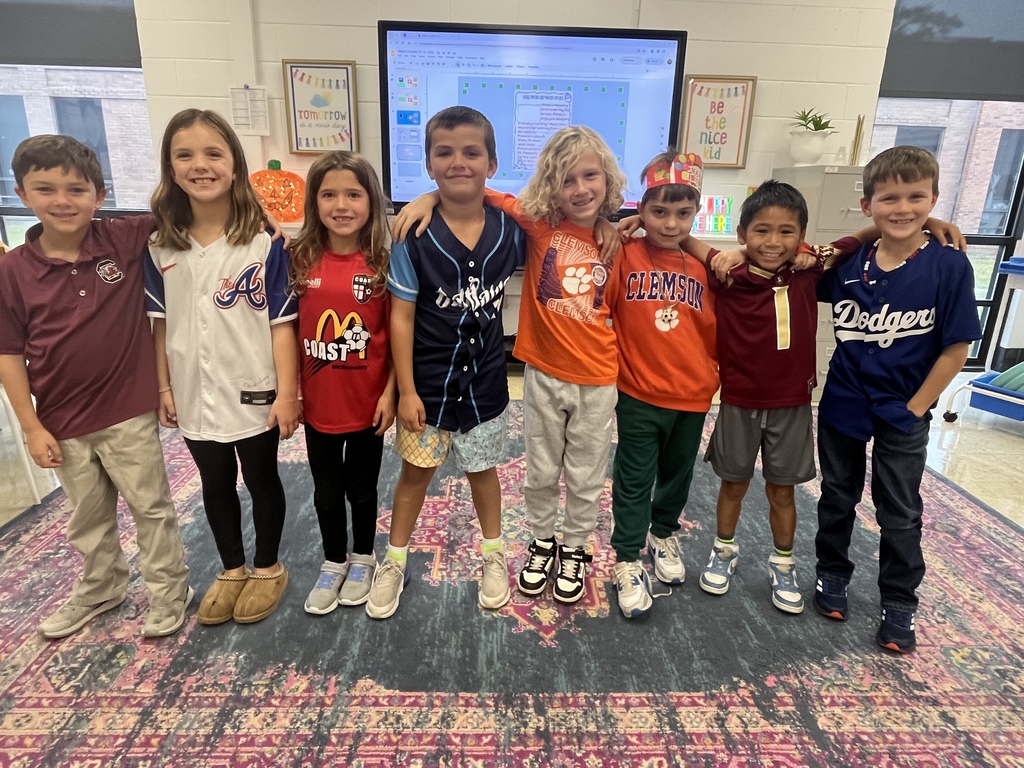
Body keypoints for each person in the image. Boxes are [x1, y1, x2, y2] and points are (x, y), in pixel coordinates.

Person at [395, 125, 624, 605]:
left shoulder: (617, 243)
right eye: (566, 179)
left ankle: (576, 546)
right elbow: (476, 188)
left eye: (589, 177)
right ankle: (541, 542)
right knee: (540, 469)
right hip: (542, 372)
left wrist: (616, 224)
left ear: (607, 180)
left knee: (586, 472)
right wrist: (426, 198)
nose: (580, 189)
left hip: (599, 378)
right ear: (549, 186)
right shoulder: (537, 225)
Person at [0, 134, 192, 639]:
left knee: (151, 507)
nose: (62, 201)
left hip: (127, 409)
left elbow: (189, 207)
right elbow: (8, 353)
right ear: (22, 194)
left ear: (99, 195)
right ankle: (102, 585)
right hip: (60, 418)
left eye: (76, 189)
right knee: (87, 517)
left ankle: (169, 590)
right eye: (45, 189)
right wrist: (30, 425)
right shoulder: (13, 272)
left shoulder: (122, 239)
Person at [813, 146, 982, 652]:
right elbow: (800, 266)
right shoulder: (848, 266)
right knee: (838, 495)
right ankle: (832, 574)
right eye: (889, 198)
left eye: (916, 197)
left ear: (933, 199)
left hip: (904, 408)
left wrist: (916, 407)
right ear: (868, 205)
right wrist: (869, 233)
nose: (903, 208)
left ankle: (900, 599)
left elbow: (956, 349)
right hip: (844, 398)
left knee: (900, 509)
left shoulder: (948, 267)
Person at [365, 106, 525, 619]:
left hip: (486, 387)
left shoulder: (512, 230)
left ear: (492, 164)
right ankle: (394, 560)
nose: (459, 162)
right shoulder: (411, 235)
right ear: (429, 164)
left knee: (484, 472)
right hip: (428, 387)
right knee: (416, 473)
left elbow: (566, 220)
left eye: (471, 152)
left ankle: (494, 555)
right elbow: (402, 319)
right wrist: (406, 390)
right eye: (445, 153)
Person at [144, 109, 300, 626]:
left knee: (259, 477)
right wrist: (164, 386)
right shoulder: (158, 242)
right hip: (192, 387)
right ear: (170, 167)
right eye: (184, 155)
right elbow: (159, 322)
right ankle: (232, 566)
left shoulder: (264, 241)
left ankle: (267, 565)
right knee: (213, 480)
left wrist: (288, 394)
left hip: (252, 384)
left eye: (214, 153)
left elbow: (282, 323)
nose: (200, 165)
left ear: (235, 165)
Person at [606, 151, 719, 618]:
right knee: (633, 478)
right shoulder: (623, 253)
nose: (671, 223)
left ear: (696, 212)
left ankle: (664, 532)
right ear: (641, 207)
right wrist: (623, 227)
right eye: (658, 211)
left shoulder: (708, 267)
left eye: (683, 213)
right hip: (638, 392)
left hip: (693, 394)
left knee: (678, 474)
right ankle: (628, 558)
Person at [289, 151, 396, 614]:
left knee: (362, 488)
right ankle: (333, 560)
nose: (341, 204)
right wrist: (291, 394)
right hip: (318, 407)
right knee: (326, 491)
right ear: (314, 202)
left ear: (371, 201)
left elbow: (396, 338)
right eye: (329, 194)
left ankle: (363, 558)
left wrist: (391, 392)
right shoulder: (296, 259)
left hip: (367, 403)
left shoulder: (385, 266)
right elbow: (283, 332)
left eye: (353, 194)